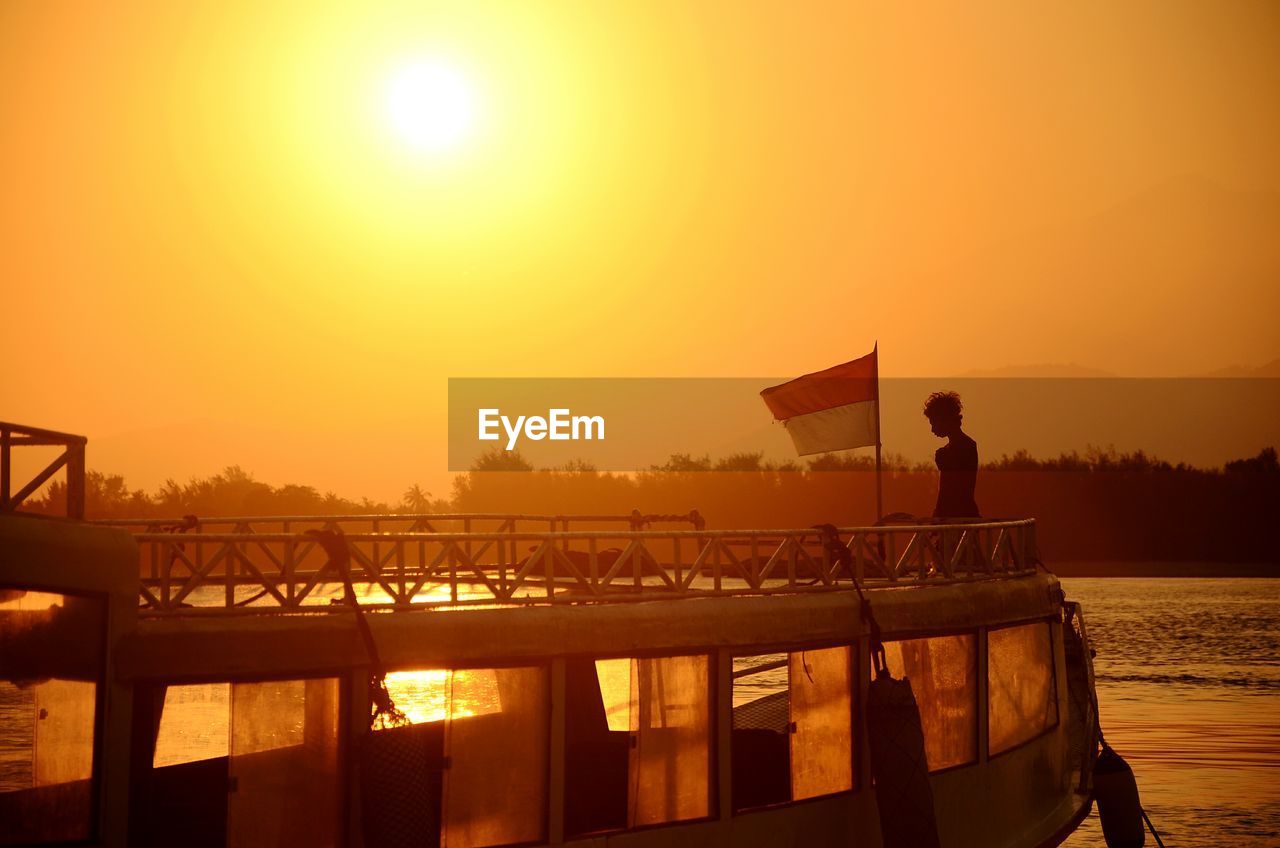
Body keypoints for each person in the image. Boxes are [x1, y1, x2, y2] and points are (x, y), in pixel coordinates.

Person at [923, 391, 980, 519]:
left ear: (945, 420)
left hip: (956, 517)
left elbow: (948, 489)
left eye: (934, 423)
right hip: (963, 514)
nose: (932, 429)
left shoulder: (956, 449)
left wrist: (938, 514)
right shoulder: (967, 445)